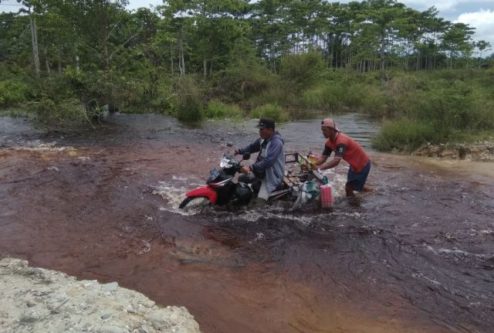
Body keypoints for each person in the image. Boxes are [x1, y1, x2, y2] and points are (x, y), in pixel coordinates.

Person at [313, 118, 371, 198]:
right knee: (356, 186)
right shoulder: (328, 143)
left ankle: (353, 207)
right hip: (353, 165)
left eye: (325, 130)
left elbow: (336, 161)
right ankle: (373, 192)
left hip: (362, 164)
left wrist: (319, 168)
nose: (323, 133)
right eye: (322, 130)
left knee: (348, 188)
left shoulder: (341, 141)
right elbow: (323, 158)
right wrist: (311, 164)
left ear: (331, 130)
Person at [235, 118, 285, 201]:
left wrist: (251, 167)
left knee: (259, 202)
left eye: (262, 129)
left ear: (270, 130)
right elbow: (252, 147)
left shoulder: (276, 143)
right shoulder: (263, 139)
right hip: (260, 172)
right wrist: (239, 151)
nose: (260, 132)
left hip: (271, 177)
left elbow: (269, 161)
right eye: (259, 129)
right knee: (241, 179)